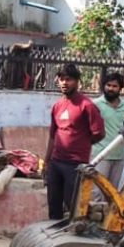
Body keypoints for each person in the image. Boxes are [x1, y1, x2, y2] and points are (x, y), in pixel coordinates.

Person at [45, 64, 104, 220]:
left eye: (69, 79)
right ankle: (54, 238)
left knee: (72, 205)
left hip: (75, 164)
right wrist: (47, 161)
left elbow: (99, 133)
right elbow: (52, 134)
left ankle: (74, 239)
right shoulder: (57, 106)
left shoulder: (87, 106)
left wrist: (81, 145)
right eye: (62, 79)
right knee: (53, 203)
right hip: (56, 162)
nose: (64, 83)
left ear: (77, 81)